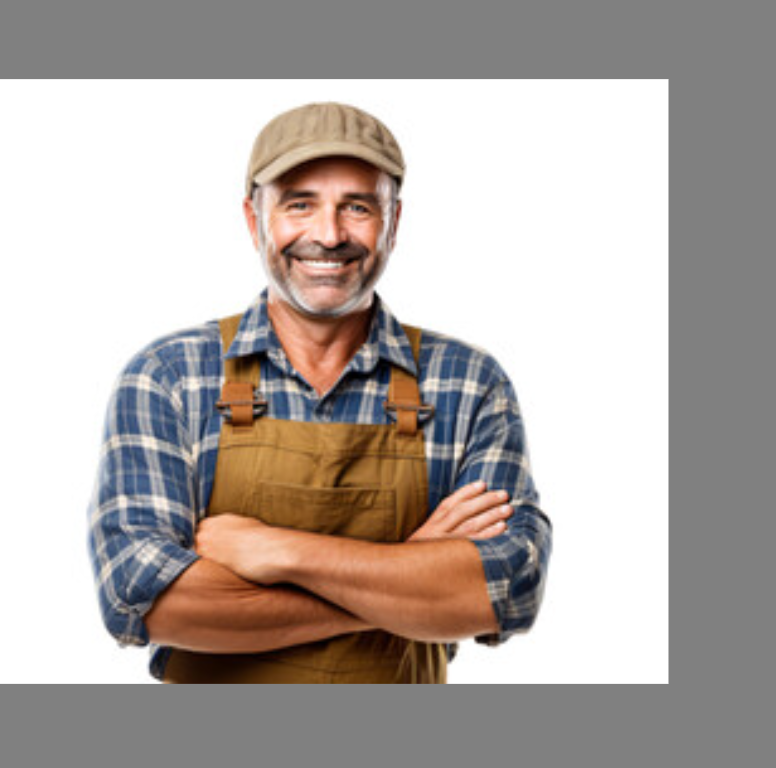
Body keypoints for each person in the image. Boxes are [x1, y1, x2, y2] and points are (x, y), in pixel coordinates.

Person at [88, 102, 552, 684]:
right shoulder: (169, 376)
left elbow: (507, 592)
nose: (328, 235)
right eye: (299, 204)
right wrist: (411, 569)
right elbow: (143, 599)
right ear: (255, 220)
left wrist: (279, 552)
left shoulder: (469, 383)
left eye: (357, 207)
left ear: (394, 221)